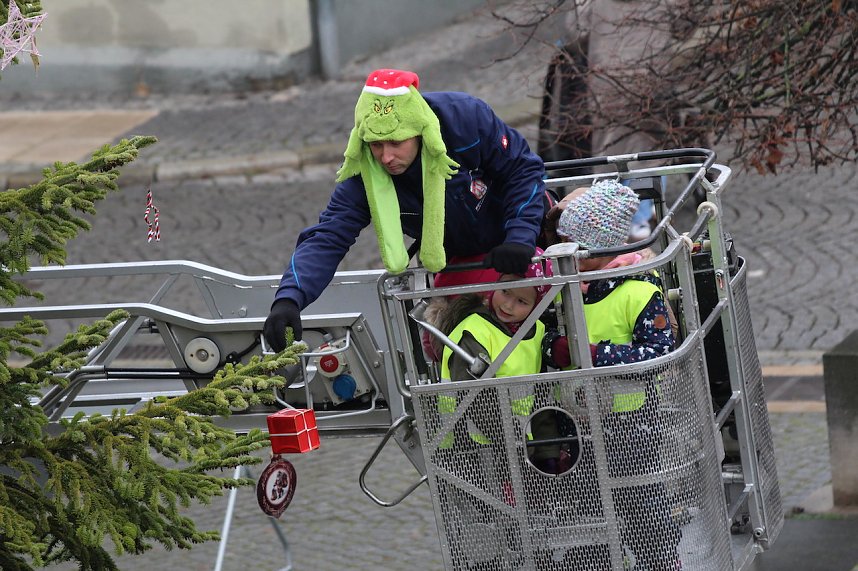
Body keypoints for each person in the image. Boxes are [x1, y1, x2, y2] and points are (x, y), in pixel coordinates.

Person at [263, 68, 547, 351]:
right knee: (453, 346)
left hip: (524, 244)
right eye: (376, 145)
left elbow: (522, 169)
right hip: (459, 259)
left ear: (419, 132)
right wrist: (289, 299)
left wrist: (521, 236)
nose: (386, 157)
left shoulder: (465, 119)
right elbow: (329, 235)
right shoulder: (365, 171)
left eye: (396, 143)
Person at [542, 179, 681, 571]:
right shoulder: (570, 286)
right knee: (587, 498)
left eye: (576, 250)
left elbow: (659, 354)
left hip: (629, 419)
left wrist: (594, 355)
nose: (565, 258)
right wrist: (554, 347)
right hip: (579, 420)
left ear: (600, 249)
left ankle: (661, 558)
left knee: (640, 498)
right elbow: (547, 331)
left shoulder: (639, 291)